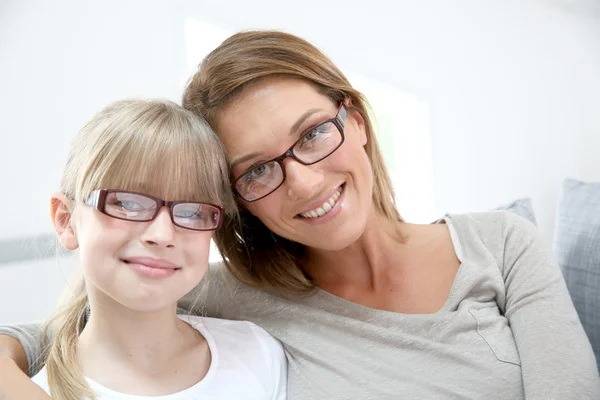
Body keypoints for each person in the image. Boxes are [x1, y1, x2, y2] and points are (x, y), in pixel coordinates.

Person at [1, 31, 599, 399]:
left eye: (313, 134)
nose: (305, 181)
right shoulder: (234, 295)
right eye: (257, 170)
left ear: (356, 121)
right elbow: (78, 324)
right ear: (237, 203)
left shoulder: (502, 243)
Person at [0, 99, 287, 400]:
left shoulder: (258, 356)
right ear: (66, 221)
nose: (162, 235)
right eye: (127, 203)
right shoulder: (35, 391)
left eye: (192, 211)